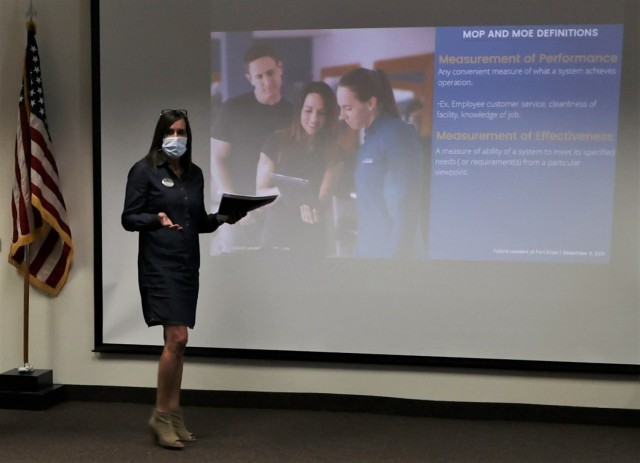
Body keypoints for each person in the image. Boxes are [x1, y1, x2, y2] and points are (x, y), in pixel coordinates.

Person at [122, 109, 243, 449]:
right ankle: (160, 415)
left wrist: (223, 217)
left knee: (179, 342)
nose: (177, 138)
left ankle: (173, 413)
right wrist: (155, 218)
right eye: (171, 131)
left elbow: (199, 221)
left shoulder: (194, 174)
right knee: (176, 336)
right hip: (158, 264)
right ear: (160, 135)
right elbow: (128, 218)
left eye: (182, 132)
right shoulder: (144, 170)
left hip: (188, 264)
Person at [210, 43, 293, 252]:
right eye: (259, 76)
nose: (267, 81)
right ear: (250, 78)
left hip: (278, 211)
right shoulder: (232, 109)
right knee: (235, 272)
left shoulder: (295, 114)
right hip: (238, 210)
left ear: (280, 68)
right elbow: (217, 158)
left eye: (271, 73)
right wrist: (232, 200)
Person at [336, 68, 424, 258]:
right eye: (340, 108)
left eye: (348, 108)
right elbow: (369, 213)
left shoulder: (397, 135)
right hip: (369, 256)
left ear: (371, 103)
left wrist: (392, 265)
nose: (341, 116)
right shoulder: (369, 142)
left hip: (394, 261)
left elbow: (406, 210)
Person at [256, 81, 342, 254]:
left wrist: (315, 207)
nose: (314, 119)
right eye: (308, 111)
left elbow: (323, 198)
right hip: (276, 237)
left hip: (312, 238)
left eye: (321, 113)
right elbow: (259, 193)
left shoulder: (333, 150)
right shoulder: (276, 141)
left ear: (329, 116)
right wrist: (285, 190)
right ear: (299, 111)